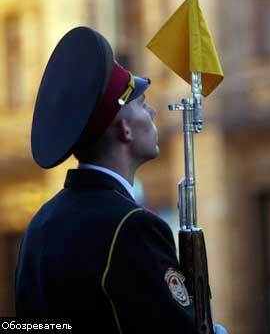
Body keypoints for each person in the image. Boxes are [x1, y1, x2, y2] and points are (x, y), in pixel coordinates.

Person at [15, 27, 227, 333]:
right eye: (141, 104)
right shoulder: (132, 226)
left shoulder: (40, 225)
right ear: (125, 129)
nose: (152, 111)